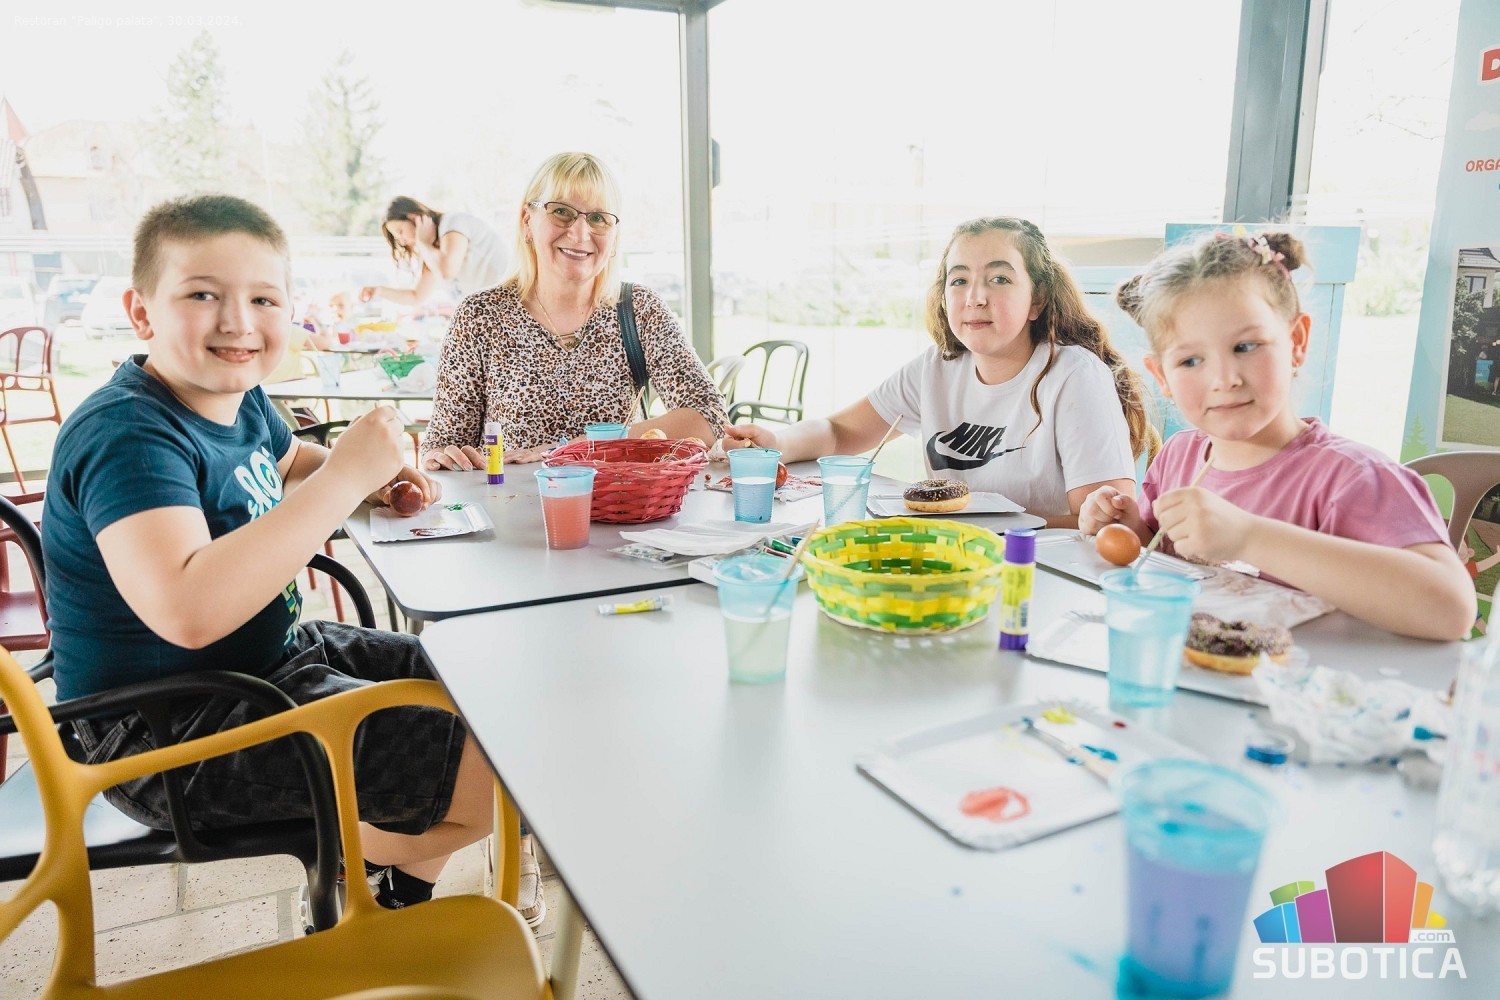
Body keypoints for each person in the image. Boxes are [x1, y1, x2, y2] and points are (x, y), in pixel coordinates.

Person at [39, 195, 533, 922]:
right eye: (202, 295)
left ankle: (386, 888)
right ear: (141, 313)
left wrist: (373, 478)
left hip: (271, 664)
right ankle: (365, 870)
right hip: (163, 732)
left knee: (496, 694)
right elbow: (189, 610)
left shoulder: (239, 399)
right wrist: (346, 478)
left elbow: (291, 457)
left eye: (263, 299)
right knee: (509, 775)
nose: (238, 321)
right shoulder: (128, 435)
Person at [1078, 231, 1475, 641]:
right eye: (1191, 360)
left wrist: (1249, 537)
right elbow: (1166, 562)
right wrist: (1131, 529)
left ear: (1296, 342)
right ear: (1161, 375)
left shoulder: (1354, 478)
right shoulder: (1178, 459)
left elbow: (1451, 609)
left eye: (1246, 346)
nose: (1224, 380)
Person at [723, 216, 1152, 528]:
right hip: (955, 568)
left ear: (1037, 300)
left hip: (1039, 578)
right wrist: (777, 443)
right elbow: (838, 433)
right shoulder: (936, 368)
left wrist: (970, 525)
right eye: (959, 280)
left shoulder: (1075, 376)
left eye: (1000, 279)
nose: (975, 297)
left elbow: (1103, 523)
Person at [421, 152, 726, 469]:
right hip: (510, 499)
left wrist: (580, 447)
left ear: (614, 236)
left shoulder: (638, 309)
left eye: (598, 218)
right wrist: (442, 458)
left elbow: (709, 416)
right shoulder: (480, 316)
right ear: (527, 222)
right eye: (562, 212)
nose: (580, 234)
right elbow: (443, 443)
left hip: (619, 497)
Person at [360, 196, 508, 307]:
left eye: (400, 232)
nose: (402, 242)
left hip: (506, 307)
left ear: (414, 218)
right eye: (398, 239)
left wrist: (423, 242)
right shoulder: (432, 252)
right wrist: (379, 291)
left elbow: (447, 271)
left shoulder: (452, 224)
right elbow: (416, 297)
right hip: (488, 314)